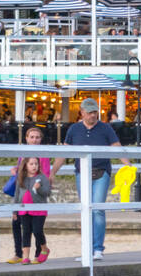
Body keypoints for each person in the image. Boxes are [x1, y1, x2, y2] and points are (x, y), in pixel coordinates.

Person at [49, 97, 129, 261]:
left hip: (101, 171)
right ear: (82, 113)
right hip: (82, 173)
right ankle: (88, 248)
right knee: (85, 209)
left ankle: (98, 249)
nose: (94, 115)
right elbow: (64, 153)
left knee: (98, 209)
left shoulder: (105, 128)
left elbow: (117, 147)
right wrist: (52, 173)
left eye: (95, 112)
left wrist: (129, 167)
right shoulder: (74, 129)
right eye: (90, 112)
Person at [7, 126, 53, 263]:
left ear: (41, 139)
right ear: (26, 138)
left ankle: (39, 253)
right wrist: (16, 169)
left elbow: (44, 173)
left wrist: (39, 183)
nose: (34, 140)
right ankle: (19, 253)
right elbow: (21, 170)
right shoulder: (23, 153)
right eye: (31, 137)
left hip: (35, 193)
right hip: (23, 193)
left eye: (37, 137)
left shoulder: (43, 155)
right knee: (18, 223)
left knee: (35, 227)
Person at [15, 156, 51, 263]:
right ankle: (25, 256)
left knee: (37, 231)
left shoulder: (42, 177)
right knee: (26, 232)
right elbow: (17, 195)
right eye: (31, 164)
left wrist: (39, 188)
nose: (34, 166)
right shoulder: (21, 178)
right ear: (25, 165)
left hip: (39, 210)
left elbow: (47, 193)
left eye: (36, 164)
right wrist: (14, 210)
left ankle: (44, 249)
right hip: (24, 210)